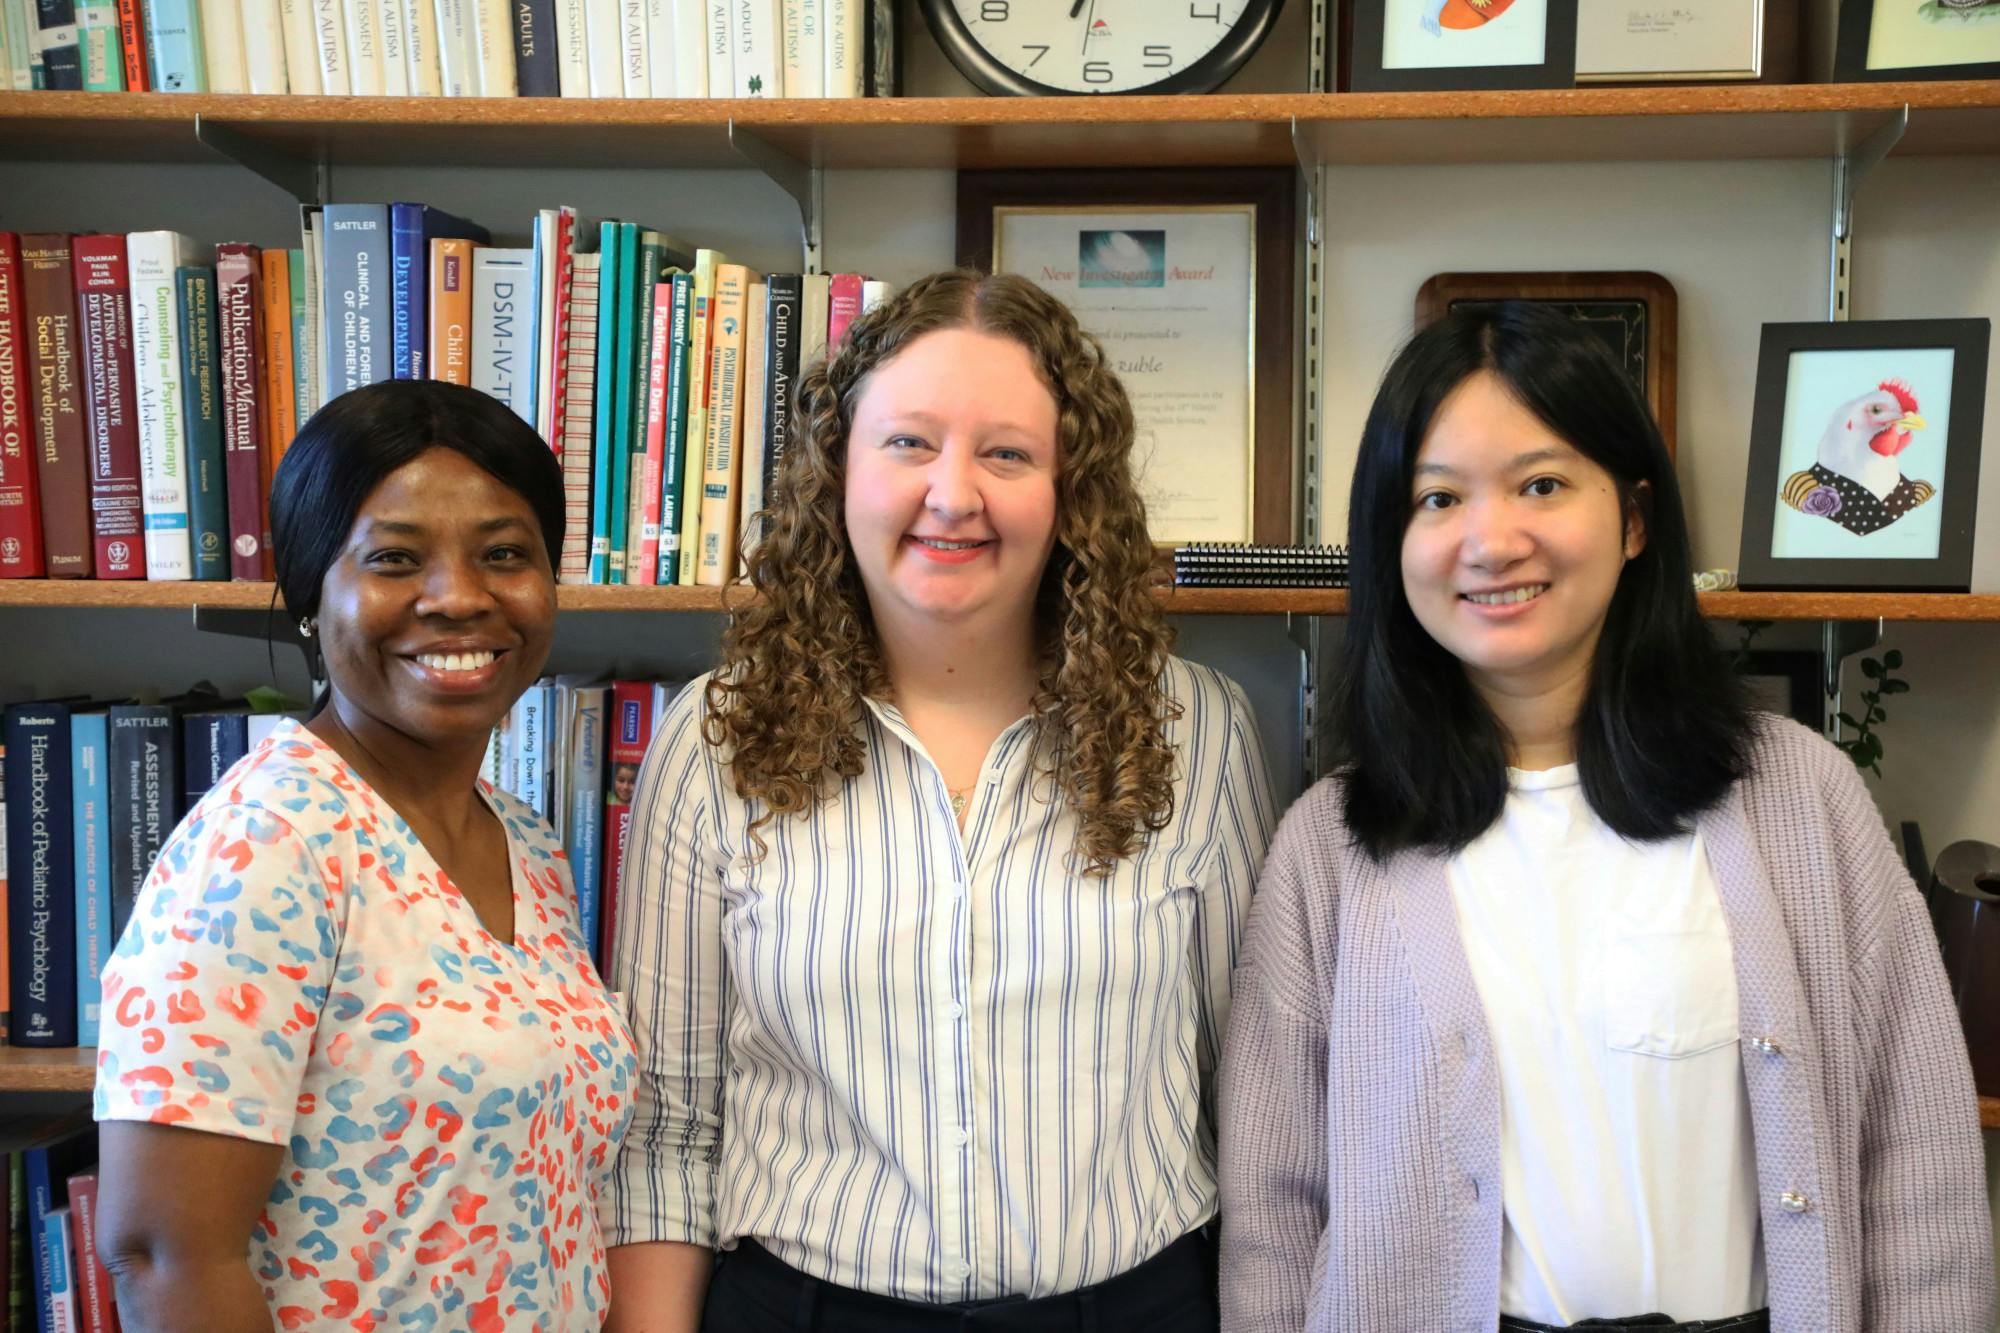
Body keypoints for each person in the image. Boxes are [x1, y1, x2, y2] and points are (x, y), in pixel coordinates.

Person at [1219, 303, 1993, 1333]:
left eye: (1540, 483)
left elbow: (1917, 1158)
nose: (1491, 540)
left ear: (1632, 519)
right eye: (1437, 497)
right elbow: (1275, 1211)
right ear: (1390, 540)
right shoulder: (1331, 843)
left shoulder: (1798, 797)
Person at [602, 269, 1276, 1332]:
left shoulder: (1195, 730)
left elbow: (1252, 1100)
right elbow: (667, 1130)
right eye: (908, 443)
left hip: (1132, 1308)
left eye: (1006, 453)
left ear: (1070, 493)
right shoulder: (717, 735)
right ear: (836, 474)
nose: (952, 494)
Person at [94, 379, 639, 1332]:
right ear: (312, 595)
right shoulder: (265, 845)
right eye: (395, 558)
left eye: (505, 554)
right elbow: (161, 1253)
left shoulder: (528, 845)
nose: (460, 597)